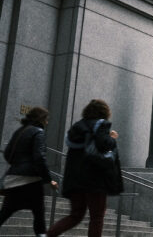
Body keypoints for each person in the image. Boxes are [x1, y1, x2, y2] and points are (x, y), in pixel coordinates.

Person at [47, 99, 123, 237]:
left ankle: (49, 234)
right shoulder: (101, 125)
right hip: (95, 181)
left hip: (74, 180)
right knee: (97, 217)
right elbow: (103, 144)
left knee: (75, 215)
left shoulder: (77, 127)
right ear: (104, 112)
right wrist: (112, 138)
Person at [0, 107, 58, 236]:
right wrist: (49, 180)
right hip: (30, 180)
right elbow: (39, 158)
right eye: (46, 119)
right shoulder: (38, 132)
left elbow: (8, 153)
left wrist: (18, 166)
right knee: (39, 213)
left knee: (6, 211)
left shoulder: (20, 131)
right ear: (41, 119)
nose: (47, 123)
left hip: (13, 179)